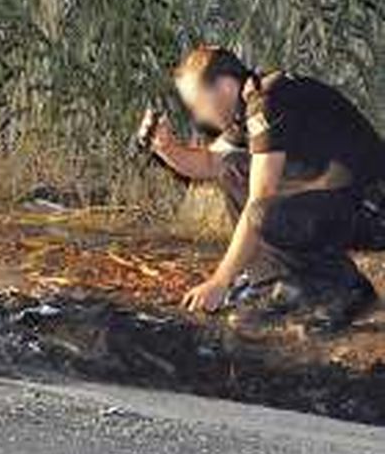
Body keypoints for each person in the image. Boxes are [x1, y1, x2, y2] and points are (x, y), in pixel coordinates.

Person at [143, 45, 385, 332]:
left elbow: (261, 196)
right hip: (340, 202)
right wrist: (165, 148)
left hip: (373, 210)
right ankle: (276, 283)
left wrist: (220, 281)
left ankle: (344, 290)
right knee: (233, 170)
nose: (198, 118)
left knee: (264, 212)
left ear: (223, 86)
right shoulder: (251, 99)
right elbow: (209, 163)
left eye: (197, 105)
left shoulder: (268, 100)